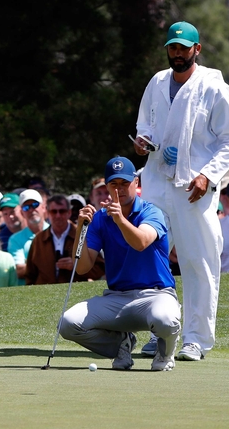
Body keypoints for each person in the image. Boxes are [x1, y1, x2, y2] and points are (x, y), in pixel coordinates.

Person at [133, 21, 229, 361]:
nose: (177, 53)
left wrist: (206, 176)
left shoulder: (212, 86)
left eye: (184, 47)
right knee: (153, 261)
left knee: (199, 264)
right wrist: (143, 141)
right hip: (155, 182)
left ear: (197, 49)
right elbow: (145, 124)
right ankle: (160, 330)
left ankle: (195, 339)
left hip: (193, 189)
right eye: (172, 47)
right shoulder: (157, 81)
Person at [58, 157, 181, 371]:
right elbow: (83, 267)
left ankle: (165, 352)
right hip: (117, 298)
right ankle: (121, 346)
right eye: (114, 184)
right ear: (107, 186)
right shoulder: (100, 219)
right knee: (68, 323)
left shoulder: (151, 212)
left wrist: (120, 220)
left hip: (156, 295)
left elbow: (141, 242)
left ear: (136, 183)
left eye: (124, 183)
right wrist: (80, 227)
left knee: (165, 319)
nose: (119, 189)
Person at [25, 194, 105, 285]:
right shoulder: (38, 240)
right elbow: (30, 275)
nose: (58, 215)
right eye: (54, 212)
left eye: (62, 211)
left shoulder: (82, 235)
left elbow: (100, 270)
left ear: (69, 213)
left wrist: (76, 265)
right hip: (44, 295)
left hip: (75, 293)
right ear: (47, 213)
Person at [7, 189, 49, 284]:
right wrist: (50, 264)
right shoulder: (15, 239)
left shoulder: (55, 232)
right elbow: (19, 271)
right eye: (26, 207)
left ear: (43, 208)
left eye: (35, 205)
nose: (31, 210)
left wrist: (29, 264)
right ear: (22, 213)